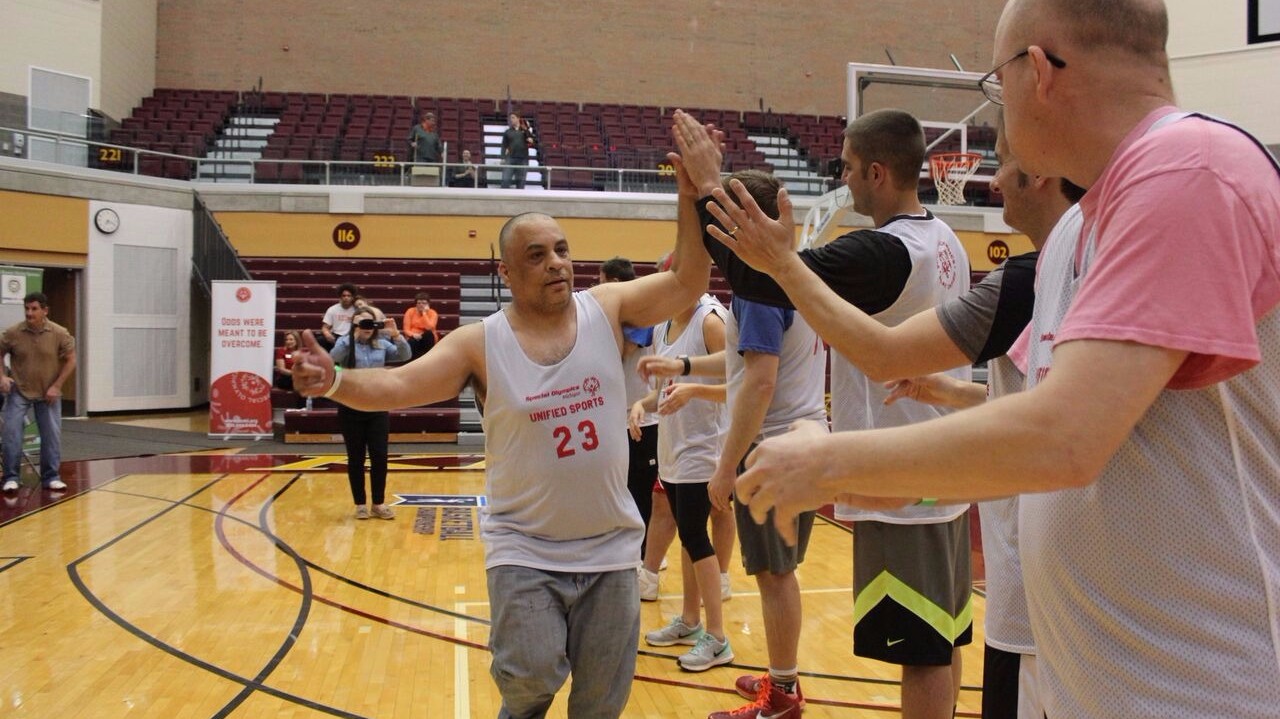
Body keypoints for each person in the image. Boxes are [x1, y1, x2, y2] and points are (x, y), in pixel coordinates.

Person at [731, 2, 1280, 717]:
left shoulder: (1192, 169)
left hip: (1209, 692)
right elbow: (1045, 429)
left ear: (1042, 71)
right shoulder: (1079, 233)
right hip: (1091, 683)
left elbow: (1064, 437)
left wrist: (829, 460)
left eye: (996, 83)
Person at [288, 110, 712, 718]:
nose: (556, 264)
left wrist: (691, 195)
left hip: (612, 547)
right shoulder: (478, 342)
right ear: (508, 273)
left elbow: (690, 280)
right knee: (529, 680)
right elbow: (399, 384)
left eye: (562, 250)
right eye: (536, 256)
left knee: (600, 704)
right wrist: (334, 380)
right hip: (525, 550)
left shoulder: (607, 306)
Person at [695, 112, 974, 719]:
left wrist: (708, 190)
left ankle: (783, 686)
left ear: (877, 172)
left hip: (901, 477)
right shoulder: (945, 238)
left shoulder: (883, 253)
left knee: (922, 650)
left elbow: (767, 281)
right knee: (944, 636)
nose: (843, 181)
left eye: (848, 169)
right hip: (945, 469)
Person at [634, 292, 732, 672]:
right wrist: (642, 405)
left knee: (695, 535)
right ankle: (690, 621)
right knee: (687, 536)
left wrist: (689, 376)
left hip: (705, 448)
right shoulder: (663, 325)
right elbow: (664, 390)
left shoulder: (710, 320)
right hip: (674, 446)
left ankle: (719, 637)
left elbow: (736, 374)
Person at [598, 255, 662, 585]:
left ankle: (644, 554)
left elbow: (621, 349)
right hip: (618, 414)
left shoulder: (642, 313)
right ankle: (634, 550)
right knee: (619, 486)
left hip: (645, 416)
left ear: (615, 284)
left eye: (603, 282)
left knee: (641, 488)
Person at [329, 307, 410, 520]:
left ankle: (378, 503)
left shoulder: (381, 345)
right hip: (350, 408)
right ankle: (360, 505)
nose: (367, 328)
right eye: (362, 323)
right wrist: (351, 336)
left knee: (380, 457)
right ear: (355, 325)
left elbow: (405, 355)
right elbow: (333, 358)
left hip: (377, 407)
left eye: (369, 323)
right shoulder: (345, 344)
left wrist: (395, 334)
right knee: (355, 458)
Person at [1, 292, 76, 493]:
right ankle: (11, 478)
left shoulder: (59, 333)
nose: (29, 313)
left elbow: (71, 360)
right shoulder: (13, 333)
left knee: (51, 435)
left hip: (48, 392)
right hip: (20, 390)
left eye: (34, 309)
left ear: (45, 311)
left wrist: (57, 386)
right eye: (26, 308)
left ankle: (51, 477)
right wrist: (2, 376)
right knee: (11, 434)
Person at [500, 112, 534, 189]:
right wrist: (502, 157)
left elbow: (533, 143)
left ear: (518, 118)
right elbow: (504, 145)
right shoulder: (507, 132)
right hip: (510, 158)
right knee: (505, 180)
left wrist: (531, 141)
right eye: (510, 118)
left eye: (513, 117)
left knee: (521, 182)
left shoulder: (525, 131)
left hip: (523, 159)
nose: (511, 120)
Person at [320, 283, 358, 351]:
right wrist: (327, 334)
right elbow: (325, 327)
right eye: (344, 296)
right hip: (336, 336)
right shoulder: (332, 309)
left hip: (351, 336)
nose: (346, 298)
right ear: (340, 297)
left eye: (349, 296)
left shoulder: (356, 309)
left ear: (352, 297)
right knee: (320, 340)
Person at [402, 292, 440, 359]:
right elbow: (406, 329)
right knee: (412, 340)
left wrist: (424, 313)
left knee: (429, 334)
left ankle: (428, 359)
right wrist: (413, 334)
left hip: (427, 338)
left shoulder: (433, 313)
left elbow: (430, 328)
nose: (421, 305)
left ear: (428, 304)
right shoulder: (410, 311)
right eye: (419, 303)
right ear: (416, 304)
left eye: (424, 303)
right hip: (414, 336)